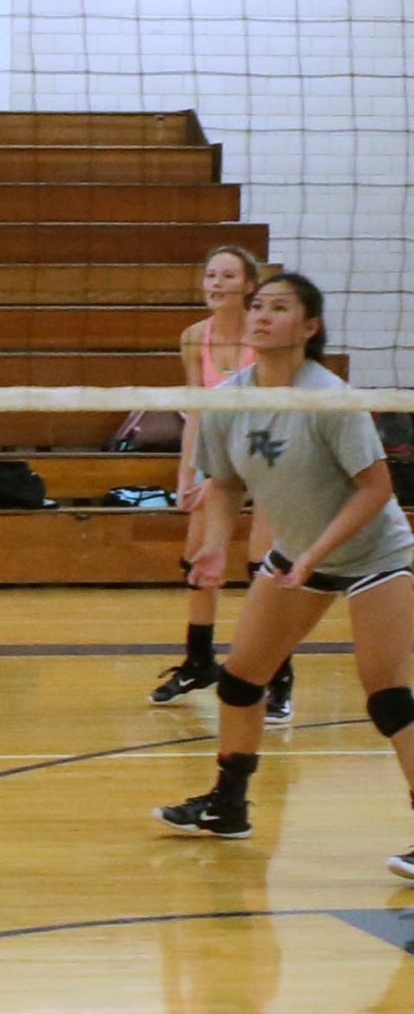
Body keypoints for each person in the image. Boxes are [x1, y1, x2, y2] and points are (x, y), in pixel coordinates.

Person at [152, 271, 414, 856]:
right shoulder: (229, 399)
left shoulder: (329, 398)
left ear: (309, 326)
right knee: (241, 681)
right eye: (258, 306)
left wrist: (315, 554)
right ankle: (228, 807)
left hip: (375, 556)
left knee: (389, 697)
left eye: (279, 307)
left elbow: (376, 490)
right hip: (297, 555)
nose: (262, 316)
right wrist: (215, 544)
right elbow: (224, 484)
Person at [150, 243, 294, 723]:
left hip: (272, 452)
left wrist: (227, 473)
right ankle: (199, 663)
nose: (216, 284)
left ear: (250, 286)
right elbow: (197, 412)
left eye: (228, 277)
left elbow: (275, 416)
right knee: (197, 559)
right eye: (211, 275)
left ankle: (278, 675)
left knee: (262, 563)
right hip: (218, 455)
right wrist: (188, 472)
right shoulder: (195, 337)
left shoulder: (267, 337)